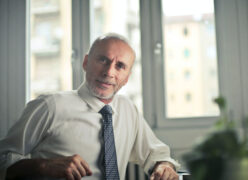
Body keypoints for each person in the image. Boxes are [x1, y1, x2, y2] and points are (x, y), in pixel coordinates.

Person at [0, 33, 180, 180]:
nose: (109, 72)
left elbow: (155, 153)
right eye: (103, 60)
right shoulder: (50, 106)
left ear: (126, 78)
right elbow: (3, 158)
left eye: (120, 66)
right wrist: (44, 166)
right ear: (86, 62)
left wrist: (164, 166)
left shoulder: (128, 109)